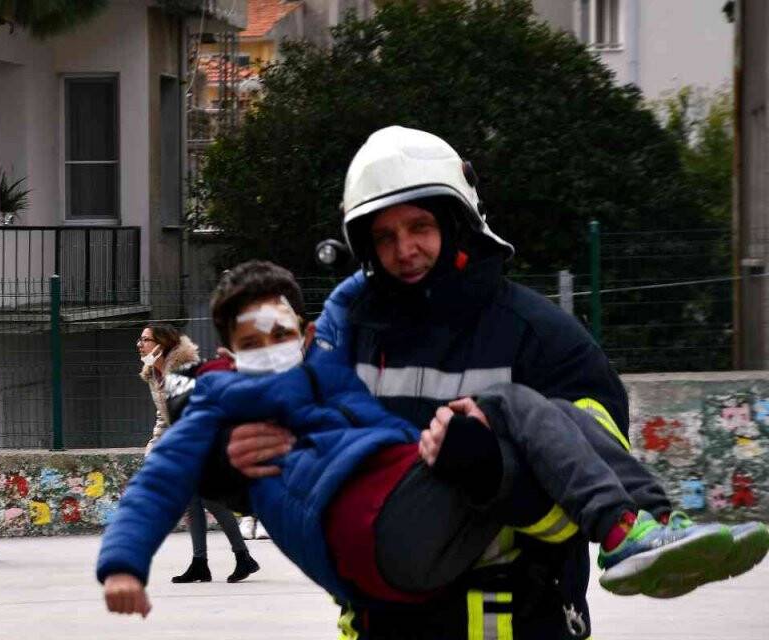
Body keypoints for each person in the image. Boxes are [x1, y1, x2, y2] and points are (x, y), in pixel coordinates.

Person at [221, 126, 769, 638]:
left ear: (455, 223)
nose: (404, 250)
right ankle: (644, 528)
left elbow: (586, 473)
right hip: (381, 615)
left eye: (419, 227)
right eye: (385, 236)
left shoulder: (540, 334)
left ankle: (654, 524)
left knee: (520, 408)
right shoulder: (351, 336)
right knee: (510, 404)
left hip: (515, 619)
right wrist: (234, 474)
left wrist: (492, 472)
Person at [97, 261, 764, 622]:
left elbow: (376, 428)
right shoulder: (218, 399)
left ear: (302, 334)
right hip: (381, 533)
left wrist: (431, 447)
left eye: (280, 336)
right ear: (228, 354)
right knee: (507, 401)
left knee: (543, 415)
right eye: (251, 345)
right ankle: (626, 530)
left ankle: (658, 523)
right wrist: (123, 564)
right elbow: (157, 482)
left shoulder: (325, 371)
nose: (269, 354)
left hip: (411, 542)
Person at [138, 323, 258, 583]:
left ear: (162, 345)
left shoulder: (183, 373)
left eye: (146, 340)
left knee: (210, 498)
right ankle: (203, 562)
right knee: (194, 501)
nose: (140, 344)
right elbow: (164, 417)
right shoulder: (153, 374)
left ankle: (241, 557)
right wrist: (154, 448)